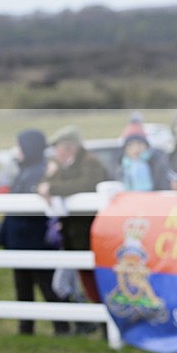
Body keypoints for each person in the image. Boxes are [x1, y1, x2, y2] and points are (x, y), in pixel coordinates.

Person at [0, 129, 70, 336]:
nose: (17, 150)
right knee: (23, 285)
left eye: (20, 146)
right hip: (20, 238)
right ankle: (26, 328)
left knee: (46, 284)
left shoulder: (41, 170)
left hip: (34, 238)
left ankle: (62, 327)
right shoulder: (24, 170)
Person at [37, 125, 109, 305]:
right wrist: (49, 178)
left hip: (89, 233)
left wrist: (52, 188)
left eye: (58, 147)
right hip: (74, 235)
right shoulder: (65, 166)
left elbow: (85, 185)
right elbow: (44, 185)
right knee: (83, 281)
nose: (56, 152)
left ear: (71, 147)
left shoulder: (90, 163)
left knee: (94, 282)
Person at [116, 118, 171, 190]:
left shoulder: (157, 163)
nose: (136, 149)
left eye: (139, 144)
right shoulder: (121, 166)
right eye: (131, 145)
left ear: (146, 147)